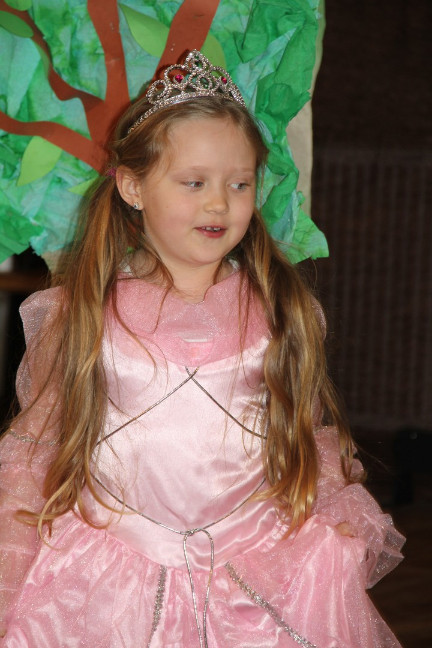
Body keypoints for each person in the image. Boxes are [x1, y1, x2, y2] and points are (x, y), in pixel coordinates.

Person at [0, 50, 404, 648]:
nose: (219, 203)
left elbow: (302, 430)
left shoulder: (278, 312)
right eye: (194, 183)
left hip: (254, 569)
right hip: (109, 577)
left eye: (239, 184)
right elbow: (37, 446)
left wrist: (328, 514)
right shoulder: (83, 313)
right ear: (133, 186)